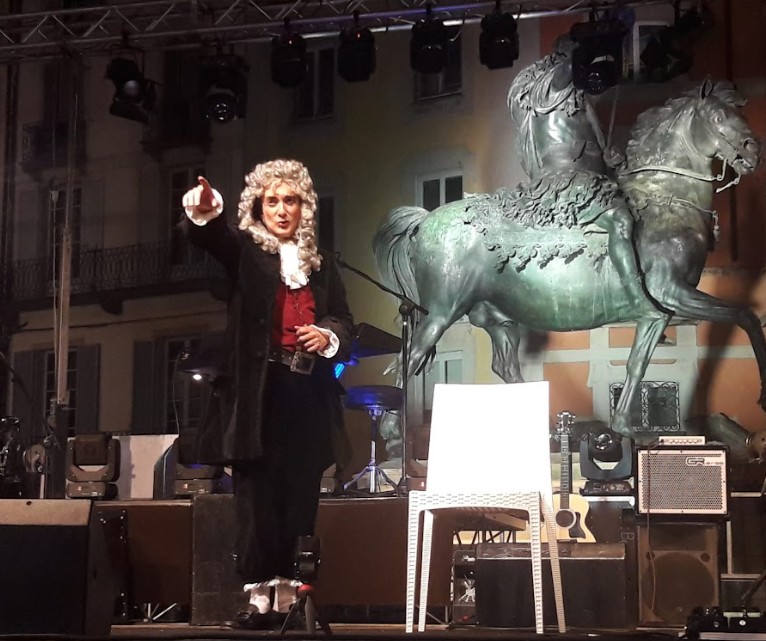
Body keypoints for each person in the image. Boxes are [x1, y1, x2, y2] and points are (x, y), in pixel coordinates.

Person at [181, 159, 353, 629]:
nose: (281, 209)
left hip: (307, 391)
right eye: (271, 200)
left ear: (304, 207)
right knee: (256, 498)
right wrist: (205, 213)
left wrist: (328, 334)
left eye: (290, 200)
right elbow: (211, 239)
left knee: (300, 495)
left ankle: (291, 598)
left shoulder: (322, 263)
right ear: (258, 206)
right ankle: (259, 600)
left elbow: (343, 317)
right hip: (258, 394)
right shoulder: (245, 251)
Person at [507, 36, 646, 305]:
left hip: (594, 182)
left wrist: (613, 160)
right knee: (620, 219)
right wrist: (593, 43)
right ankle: (636, 297)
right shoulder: (549, 90)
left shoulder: (583, 105)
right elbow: (567, 71)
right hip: (564, 181)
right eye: (573, 55)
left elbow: (599, 152)